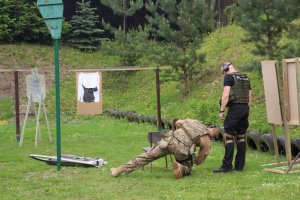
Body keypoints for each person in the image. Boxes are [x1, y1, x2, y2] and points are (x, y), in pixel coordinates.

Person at [111, 119, 220, 179]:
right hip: (181, 149)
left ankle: (119, 170)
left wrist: (180, 131)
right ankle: (182, 168)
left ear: (209, 127)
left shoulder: (195, 121)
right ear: (213, 136)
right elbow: (199, 161)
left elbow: (178, 122)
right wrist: (194, 150)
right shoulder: (207, 141)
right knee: (189, 164)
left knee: (147, 156)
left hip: (168, 140)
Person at [214, 62, 252, 173]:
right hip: (245, 108)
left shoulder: (229, 78)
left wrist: (222, 110)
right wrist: (246, 109)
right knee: (241, 136)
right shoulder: (245, 77)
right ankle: (239, 166)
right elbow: (250, 96)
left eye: (223, 72)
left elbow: (225, 95)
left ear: (226, 69)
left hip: (235, 109)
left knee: (228, 136)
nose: (224, 75)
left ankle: (227, 166)